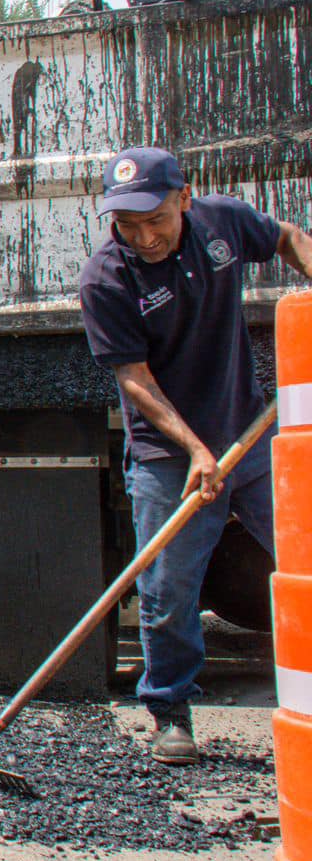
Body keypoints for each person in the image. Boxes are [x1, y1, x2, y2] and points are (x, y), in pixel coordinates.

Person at [78, 146, 312, 766]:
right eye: (128, 223)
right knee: (168, 589)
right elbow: (134, 378)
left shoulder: (223, 224)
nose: (143, 235)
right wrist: (196, 451)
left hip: (250, 434)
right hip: (167, 454)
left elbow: (287, 237)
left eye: (154, 218)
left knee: (305, 556)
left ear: (185, 197)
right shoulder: (106, 278)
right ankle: (170, 710)